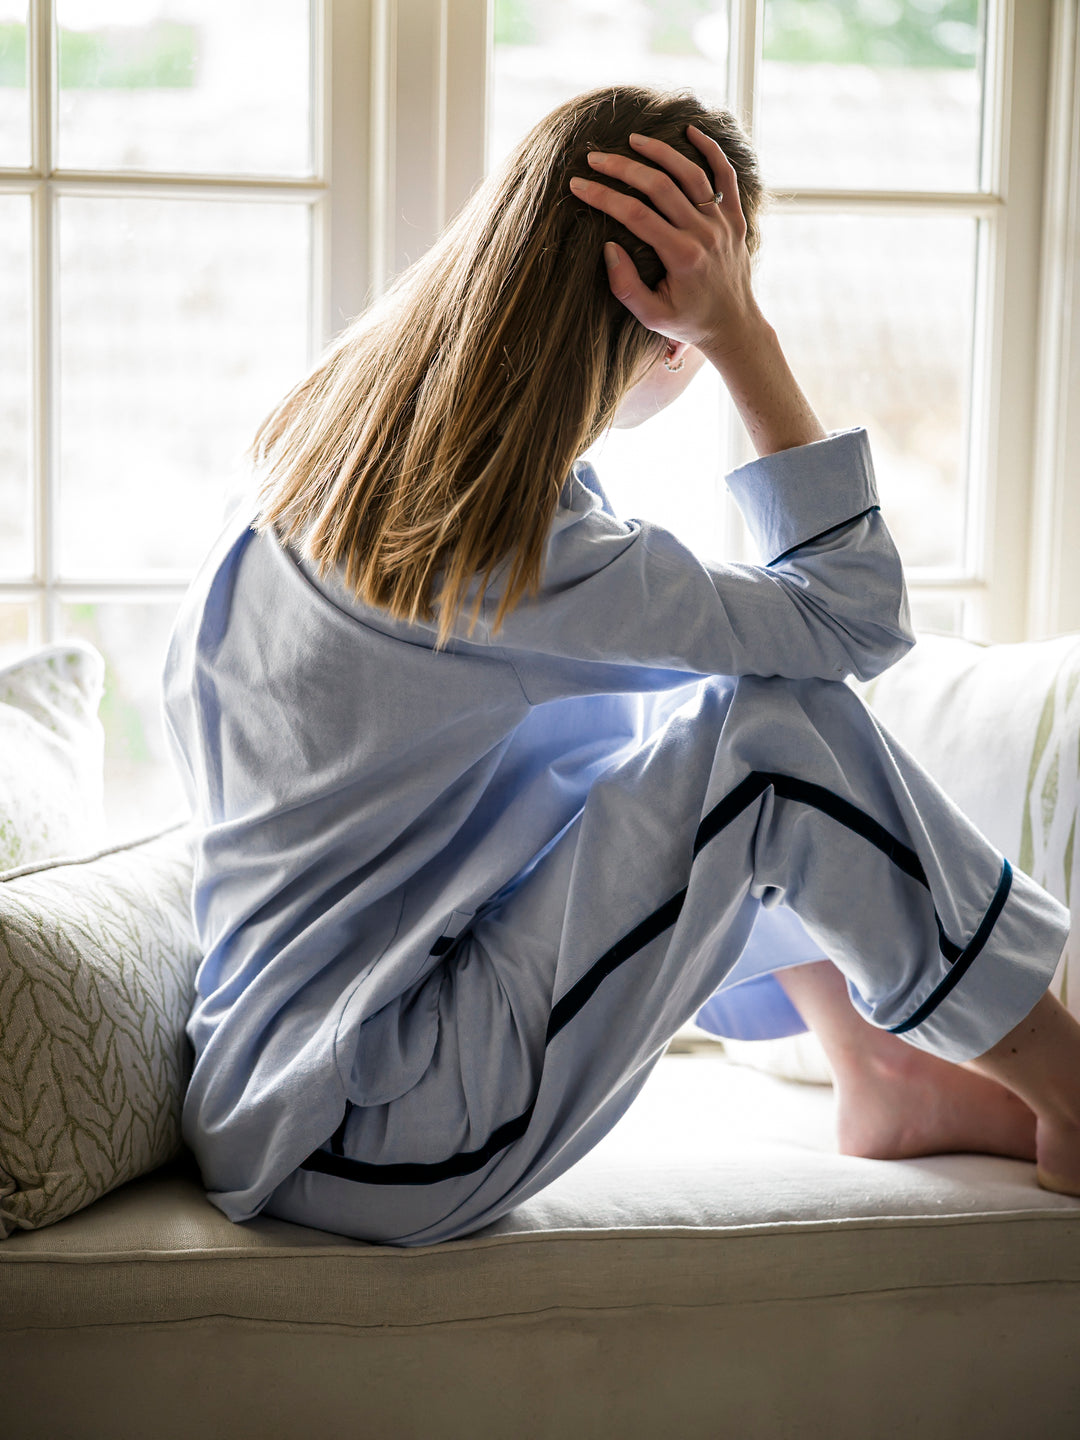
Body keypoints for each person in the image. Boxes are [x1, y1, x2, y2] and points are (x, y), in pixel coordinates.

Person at [162, 84, 1080, 1248]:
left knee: (714, 708)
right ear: (660, 315)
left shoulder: (318, 473)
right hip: (371, 1122)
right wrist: (743, 333)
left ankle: (883, 1077)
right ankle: (1071, 1092)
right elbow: (855, 623)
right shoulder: (500, 544)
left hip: (283, 1092)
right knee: (770, 735)